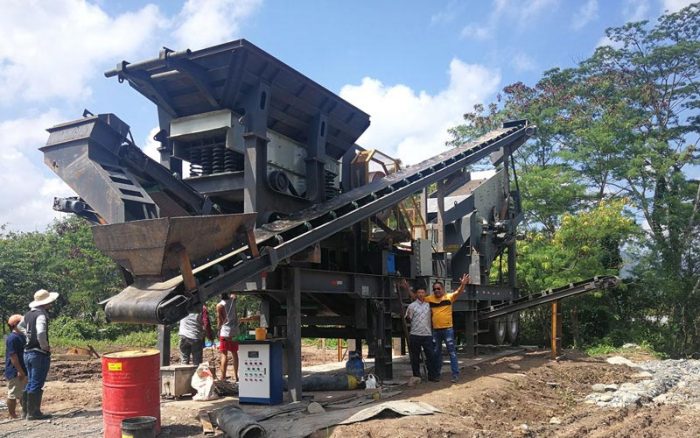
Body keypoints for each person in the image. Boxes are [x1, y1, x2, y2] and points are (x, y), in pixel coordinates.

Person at [20, 288, 59, 420]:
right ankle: (33, 412)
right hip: (38, 353)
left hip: (27, 352)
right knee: (37, 382)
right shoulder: (41, 315)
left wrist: (28, 336)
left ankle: (25, 411)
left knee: (30, 381)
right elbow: (41, 333)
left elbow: (20, 327)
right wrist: (45, 346)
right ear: (45, 303)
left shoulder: (28, 315)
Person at [425, 274, 470, 383]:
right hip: (436, 331)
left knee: (452, 352)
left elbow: (458, 292)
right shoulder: (430, 299)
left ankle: (455, 374)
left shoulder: (449, 297)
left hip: (447, 330)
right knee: (437, 353)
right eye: (434, 289)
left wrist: (463, 284)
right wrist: (407, 288)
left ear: (443, 289)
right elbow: (418, 297)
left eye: (438, 289)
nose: (436, 291)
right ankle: (437, 374)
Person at [404, 284, 439, 382]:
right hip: (415, 335)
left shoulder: (429, 305)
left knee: (431, 356)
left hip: (427, 335)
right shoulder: (412, 306)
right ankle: (417, 376)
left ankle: (432, 375)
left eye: (422, 292)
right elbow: (409, 318)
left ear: (425, 294)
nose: (421, 294)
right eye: (419, 292)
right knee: (415, 357)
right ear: (416, 294)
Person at [4, 315, 27, 419]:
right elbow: (13, 357)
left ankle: (26, 411)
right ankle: (12, 414)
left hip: (22, 369)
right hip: (15, 370)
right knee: (13, 394)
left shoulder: (22, 336)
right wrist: (20, 371)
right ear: (15, 325)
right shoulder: (12, 338)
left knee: (23, 392)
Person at [217, 293, 240, 381]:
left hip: (225, 332)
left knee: (224, 354)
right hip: (234, 331)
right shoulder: (233, 301)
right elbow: (234, 295)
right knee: (234, 353)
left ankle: (223, 377)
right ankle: (236, 376)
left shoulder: (219, 305)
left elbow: (220, 319)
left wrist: (218, 330)